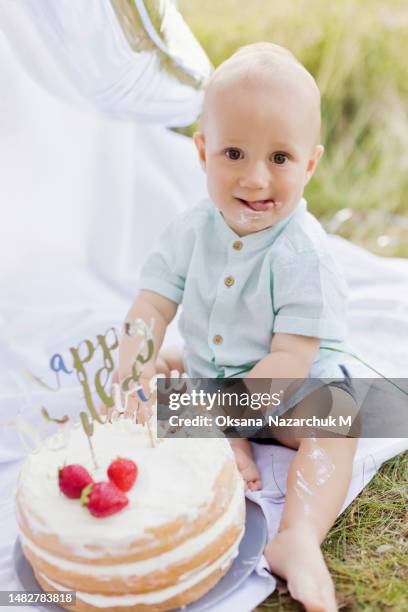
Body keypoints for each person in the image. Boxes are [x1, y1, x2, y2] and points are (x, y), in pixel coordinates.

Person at [117, 42, 359, 611]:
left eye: (279, 158)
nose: (255, 178)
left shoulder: (304, 254)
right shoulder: (190, 230)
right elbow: (150, 306)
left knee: (339, 422)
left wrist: (221, 420)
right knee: (151, 386)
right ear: (202, 152)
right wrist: (134, 362)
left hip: (289, 392)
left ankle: (297, 536)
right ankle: (196, 410)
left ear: (310, 164)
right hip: (214, 375)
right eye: (234, 153)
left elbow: (288, 364)